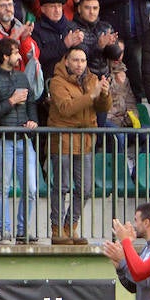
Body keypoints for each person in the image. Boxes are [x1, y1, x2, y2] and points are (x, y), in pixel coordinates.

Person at [47, 45, 109, 246]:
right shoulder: (57, 82)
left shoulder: (92, 80)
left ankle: (70, 225)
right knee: (62, 186)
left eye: (83, 60)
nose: (80, 64)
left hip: (85, 139)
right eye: (75, 60)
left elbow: (101, 108)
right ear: (66, 61)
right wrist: (91, 96)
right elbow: (65, 108)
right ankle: (57, 229)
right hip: (64, 137)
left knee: (86, 189)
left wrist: (104, 95)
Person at [0, 36, 38, 244]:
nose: (19, 56)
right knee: (3, 188)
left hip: (24, 139)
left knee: (32, 189)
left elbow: (32, 102)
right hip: (3, 140)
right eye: (15, 53)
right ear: (5, 57)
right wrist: (12, 101)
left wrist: (33, 120)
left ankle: (22, 230)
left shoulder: (22, 78)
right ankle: (5, 232)